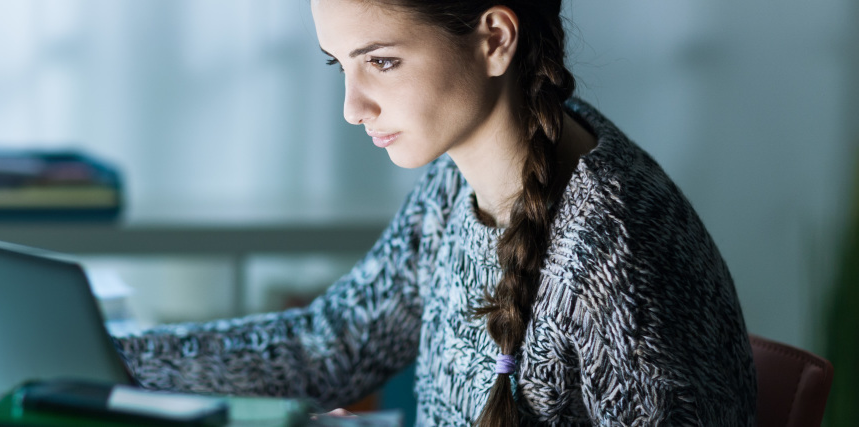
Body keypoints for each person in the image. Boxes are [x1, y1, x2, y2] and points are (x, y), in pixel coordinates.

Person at [113, 0, 757, 425]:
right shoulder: (465, 178)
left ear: (495, 39)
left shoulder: (614, 259)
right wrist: (113, 360)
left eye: (382, 62)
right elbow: (332, 345)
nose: (352, 106)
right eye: (340, 65)